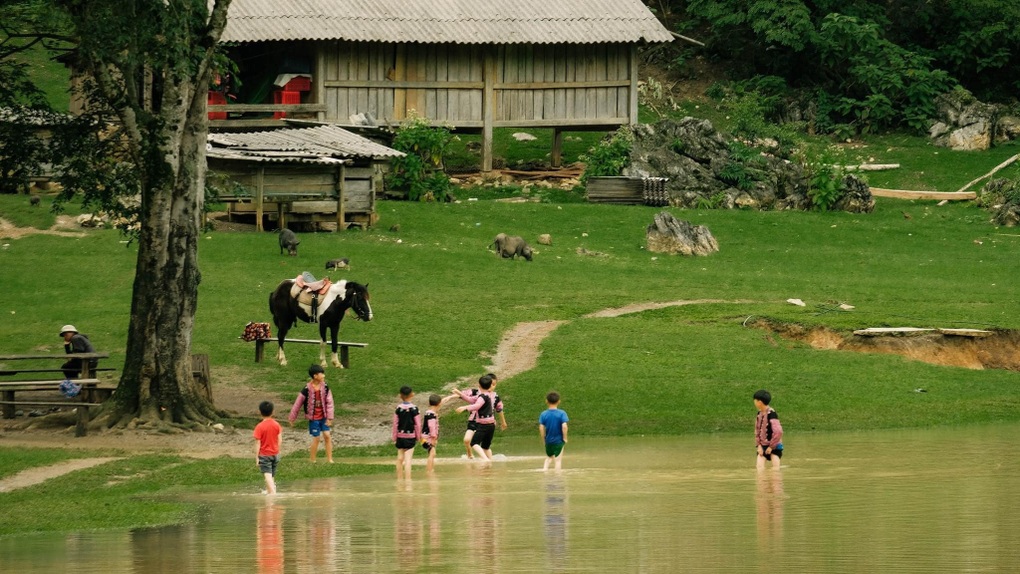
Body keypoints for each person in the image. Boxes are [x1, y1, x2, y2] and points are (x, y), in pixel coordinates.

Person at [288, 364, 335, 463]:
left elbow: (330, 402)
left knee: (327, 435)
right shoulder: (306, 389)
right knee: (316, 438)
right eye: (321, 374)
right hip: (314, 419)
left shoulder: (325, 387)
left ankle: (330, 459)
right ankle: (312, 459)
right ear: (315, 376)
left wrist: (329, 417)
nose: (324, 376)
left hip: (324, 417)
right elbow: (298, 403)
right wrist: (292, 417)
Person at [456, 376, 503, 461]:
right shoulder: (490, 395)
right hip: (491, 425)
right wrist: (460, 394)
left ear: (479, 385)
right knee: (486, 447)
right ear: (490, 386)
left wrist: (465, 408)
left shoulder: (482, 397)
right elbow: (471, 399)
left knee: (474, 443)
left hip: (483, 424)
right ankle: (490, 462)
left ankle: (486, 459)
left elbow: (477, 405)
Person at [254, 401, 283, 494]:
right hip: (275, 454)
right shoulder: (276, 424)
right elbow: (280, 440)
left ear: (260, 412)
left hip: (264, 455)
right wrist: (277, 450)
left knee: (267, 474)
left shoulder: (259, 427)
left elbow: (258, 443)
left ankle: (273, 493)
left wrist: (257, 457)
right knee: (272, 475)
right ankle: (269, 491)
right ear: (273, 412)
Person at [421, 393, 454, 474]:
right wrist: (434, 438)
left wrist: (450, 397)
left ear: (429, 403)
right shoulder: (432, 415)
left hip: (424, 438)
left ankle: (431, 470)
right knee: (432, 453)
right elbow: (432, 427)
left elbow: (442, 401)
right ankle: (429, 471)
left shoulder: (428, 412)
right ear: (439, 404)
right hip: (428, 438)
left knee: (431, 453)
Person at [392, 385, 421, 478]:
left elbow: (395, 424)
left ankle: (399, 479)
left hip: (400, 437)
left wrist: (394, 437)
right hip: (410, 437)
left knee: (399, 458)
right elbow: (418, 424)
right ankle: (408, 480)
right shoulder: (414, 409)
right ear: (412, 394)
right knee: (408, 460)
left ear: (400, 395)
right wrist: (418, 437)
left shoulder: (398, 409)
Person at [539, 391, 569, 471]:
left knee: (548, 457)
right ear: (559, 401)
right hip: (559, 441)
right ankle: (557, 478)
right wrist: (565, 438)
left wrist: (543, 439)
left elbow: (541, 428)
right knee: (558, 461)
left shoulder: (543, 414)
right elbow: (564, 426)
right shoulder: (562, 413)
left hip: (548, 441)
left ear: (546, 401)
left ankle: (544, 470)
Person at [754, 389, 784, 470]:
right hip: (762, 445)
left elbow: (778, 432)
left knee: (775, 469)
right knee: (759, 468)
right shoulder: (759, 414)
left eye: (755, 400)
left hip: (775, 446)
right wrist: (759, 445)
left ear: (759, 402)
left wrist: (771, 447)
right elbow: (757, 430)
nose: (754, 402)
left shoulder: (772, 414)